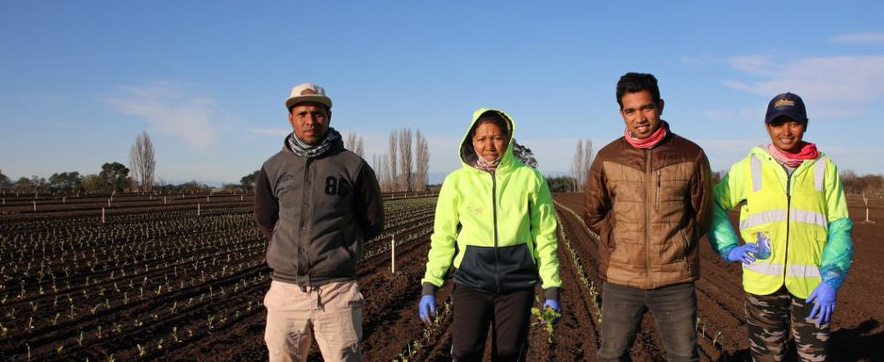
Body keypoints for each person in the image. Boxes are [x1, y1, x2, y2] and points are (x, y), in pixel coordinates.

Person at [707, 92, 853, 361]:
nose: (786, 131)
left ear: (805, 124)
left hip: (812, 286)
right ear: (767, 127)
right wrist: (727, 246)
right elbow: (713, 203)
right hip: (763, 285)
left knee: (813, 358)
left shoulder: (825, 168)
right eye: (778, 123)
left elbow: (840, 225)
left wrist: (832, 276)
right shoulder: (748, 167)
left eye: (794, 123)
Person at [584, 72, 713, 362]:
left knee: (684, 356)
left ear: (661, 106)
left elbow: (702, 214)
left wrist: (678, 244)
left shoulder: (690, 154)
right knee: (611, 355)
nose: (639, 117)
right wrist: (618, 241)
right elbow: (594, 213)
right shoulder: (608, 157)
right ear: (622, 113)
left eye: (646, 107)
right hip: (621, 279)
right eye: (630, 110)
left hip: (674, 280)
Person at [418, 108, 562, 362]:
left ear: (508, 138)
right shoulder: (456, 182)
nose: (489, 145)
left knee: (508, 355)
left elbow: (545, 235)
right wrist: (430, 285)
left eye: (496, 137)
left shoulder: (530, 179)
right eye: (482, 139)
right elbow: (443, 237)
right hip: (471, 284)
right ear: (471, 141)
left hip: (517, 286)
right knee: (464, 354)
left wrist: (551, 288)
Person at [254, 83, 384, 362]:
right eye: (302, 114)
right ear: (291, 118)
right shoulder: (273, 167)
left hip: (336, 291)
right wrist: (289, 250)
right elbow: (266, 221)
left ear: (329, 117)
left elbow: (373, 221)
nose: (310, 121)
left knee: (343, 357)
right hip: (285, 291)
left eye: (318, 113)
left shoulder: (352, 165)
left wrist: (337, 250)